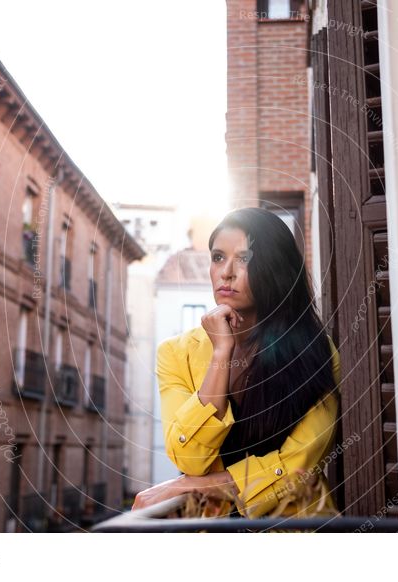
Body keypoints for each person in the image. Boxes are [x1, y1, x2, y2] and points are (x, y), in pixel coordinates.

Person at [132, 207, 342, 518]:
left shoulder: (315, 351)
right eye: (218, 257)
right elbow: (190, 458)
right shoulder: (175, 353)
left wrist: (192, 487)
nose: (226, 271)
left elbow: (298, 466)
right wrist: (221, 353)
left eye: (244, 259)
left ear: (275, 269)